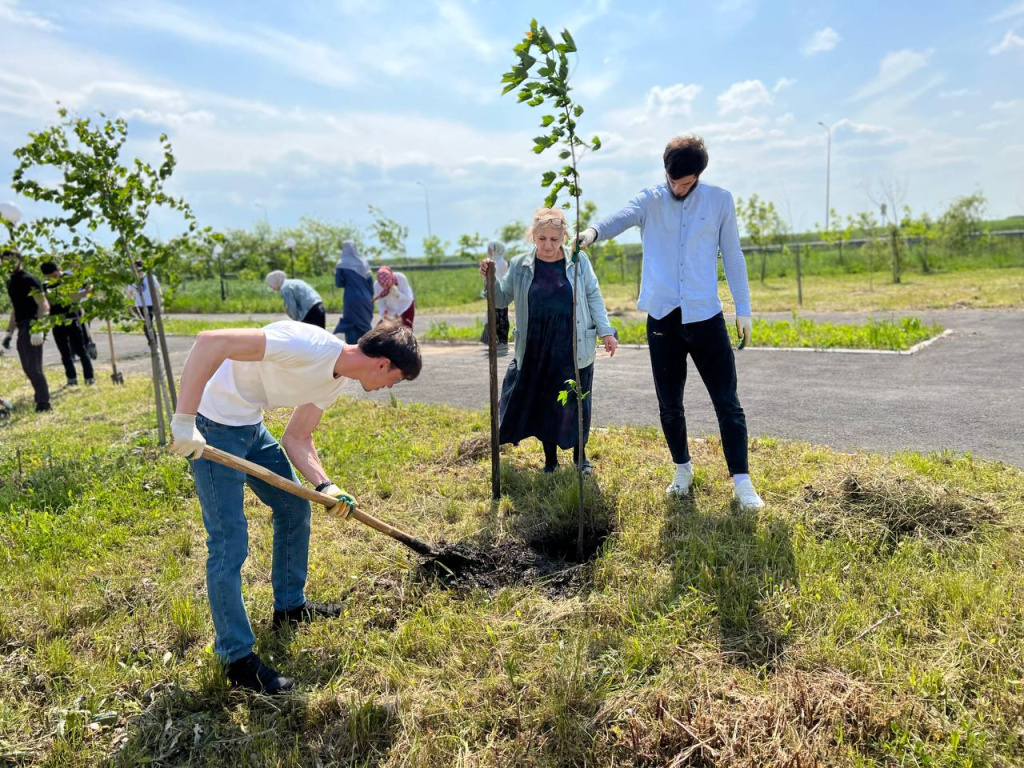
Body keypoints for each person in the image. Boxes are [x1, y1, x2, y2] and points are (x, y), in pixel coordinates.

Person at [168, 320, 422, 694]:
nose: (389, 388)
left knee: (294, 507)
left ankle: (289, 607)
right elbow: (210, 342)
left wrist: (327, 485)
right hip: (211, 426)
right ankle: (236, 658)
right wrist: (184, 420)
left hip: (250, 426)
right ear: (383, 364)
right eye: (396, 380)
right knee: (229, 542)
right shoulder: (306, 346)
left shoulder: (335, 379)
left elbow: (297, 437)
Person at [575, 134, 764, 510]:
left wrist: (743, 307)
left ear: (698, 175)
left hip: (706, 316)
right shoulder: (651, 199)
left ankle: (742, 482)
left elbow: (733, 254)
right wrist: (593, 233)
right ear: (665, 170)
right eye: (674, 181)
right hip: (663, 319)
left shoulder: (720, 200)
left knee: (728, 401)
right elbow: (621, 216)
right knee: (669, 403)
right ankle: (682, 468)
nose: (679, 188)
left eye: (687, 182)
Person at [480, 207, 618, 474]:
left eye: (554, 239)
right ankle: (550, 461)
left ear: (564, 237)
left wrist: (606, 331)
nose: (548, 245)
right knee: (545, 402)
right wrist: (490, 278)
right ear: (533, 236)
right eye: (542, 238)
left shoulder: (578, 261)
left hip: (573, 344)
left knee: (576, 402)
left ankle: (581, 458)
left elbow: (593, 296)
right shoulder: (521, 265)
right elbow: (499, 299)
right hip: (536, 346)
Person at [2, 248, 51, 412]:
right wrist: (9, 332)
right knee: (29, 367)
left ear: (19, 259)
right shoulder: (11, 282)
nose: (7, 263)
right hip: (22, 325)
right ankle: (40, 396)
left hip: (33, 325)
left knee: (33, 367)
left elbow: (43, 305)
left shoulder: (28, 279)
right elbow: (16, 309)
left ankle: (44, 404)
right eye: (4, 260)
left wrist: (39, 328)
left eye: (11, 259)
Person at [41, 261, 94, 387]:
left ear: (59, 269)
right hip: (56, 321)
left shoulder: (70, 279)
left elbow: (89, 288)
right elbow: (44, 302)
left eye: (54, 275)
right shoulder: (46, 285)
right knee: (65, 353)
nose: (52, 278)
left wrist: (79, 295)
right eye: (49, 277)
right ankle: (71, 379)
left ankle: (89, 377)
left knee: (81, 350)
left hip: (73, 319)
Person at [332, 240, 374, 344]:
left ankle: (353, 350)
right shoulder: (363, 262)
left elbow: (339, 284)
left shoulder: (341, 264)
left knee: (351, 324)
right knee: (365, 325)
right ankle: (369, 349)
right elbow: (371, 282)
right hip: (366, 297)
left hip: (351, 298)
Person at [480, 241, 510, 346]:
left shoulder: (497, 262)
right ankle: (499, 339)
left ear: (495, 249)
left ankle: (499, 339)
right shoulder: (500, 262)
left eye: (490, 249)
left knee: (498, 316)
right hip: (498, 292)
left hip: (498, 292)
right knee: (499, 316)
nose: (488, 251)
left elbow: (500, 278)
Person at [131, 260, 161, 343]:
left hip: (149, 304)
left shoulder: (150, 277)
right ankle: (151, 342)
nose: (138, 269)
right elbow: (129, 293)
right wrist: (129, 305)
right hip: (138, 306)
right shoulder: (133, 279)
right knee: (145, 325)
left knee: (149, 324)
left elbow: (157, 290)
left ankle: (154, 343)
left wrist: (159, 303)